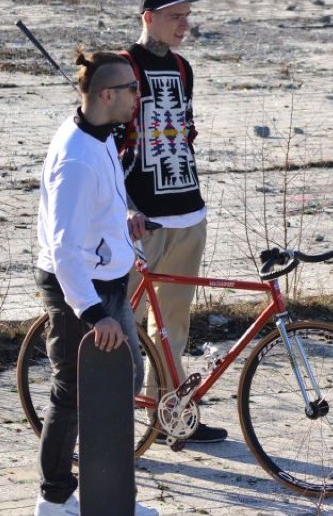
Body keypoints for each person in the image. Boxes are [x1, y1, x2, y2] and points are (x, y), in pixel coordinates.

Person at [34, 49, 157, 515]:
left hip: (107, 279)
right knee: (72, 394)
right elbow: (64, 249)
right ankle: (53, 500)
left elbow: (103, 198)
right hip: (77, 288)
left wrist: (123, 218)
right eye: (130, 88)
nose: (136, 95)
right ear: (106, 94)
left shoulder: (102, 134)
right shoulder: (77, 159)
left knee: (123, 381)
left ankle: (108, 496)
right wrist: (92, 313)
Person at [119, 0, 226, 444]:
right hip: (141, 221)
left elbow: (183, 132)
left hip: (188, 213)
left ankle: (170, 415)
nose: (186, 25)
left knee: (173, 327)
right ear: (149, 18)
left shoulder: (183, 68)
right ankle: (108, 419)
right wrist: (123, 208)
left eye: (187, 15)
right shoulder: (120, 68)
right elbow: (106, 147)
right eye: (175, 17)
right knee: (124, 322)